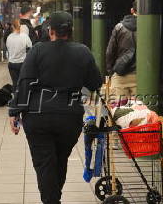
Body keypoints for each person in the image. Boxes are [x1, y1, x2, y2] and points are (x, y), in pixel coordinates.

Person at [8, 11, 103, 204]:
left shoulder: (38, 50)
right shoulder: (83, 51)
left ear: (50, 31)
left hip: (37, 116)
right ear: (70, 31)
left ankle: (51, 201)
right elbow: (95, 83)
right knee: (59, 160)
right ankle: (53, 199)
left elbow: (24, 82)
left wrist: (15, 111)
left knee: (44, 163)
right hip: (69, 117)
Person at [106, 0, 137, 104]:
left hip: (120, 73)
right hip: (141, 77)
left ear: (132, 10)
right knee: (141, 115)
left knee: (119, 112)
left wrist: (111, 72)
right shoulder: (151, 27)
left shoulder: (119, 27)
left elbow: (110, 52)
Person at [6, 19, 32, 91]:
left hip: (11, 63)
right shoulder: (25, 36)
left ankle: (15, 99)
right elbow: (30, 47)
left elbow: (8, 48)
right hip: (22, 63)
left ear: (13, 27)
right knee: (23, 83)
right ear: (20, 27)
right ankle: (22, 100)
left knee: (15, 83)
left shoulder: (9, 37)